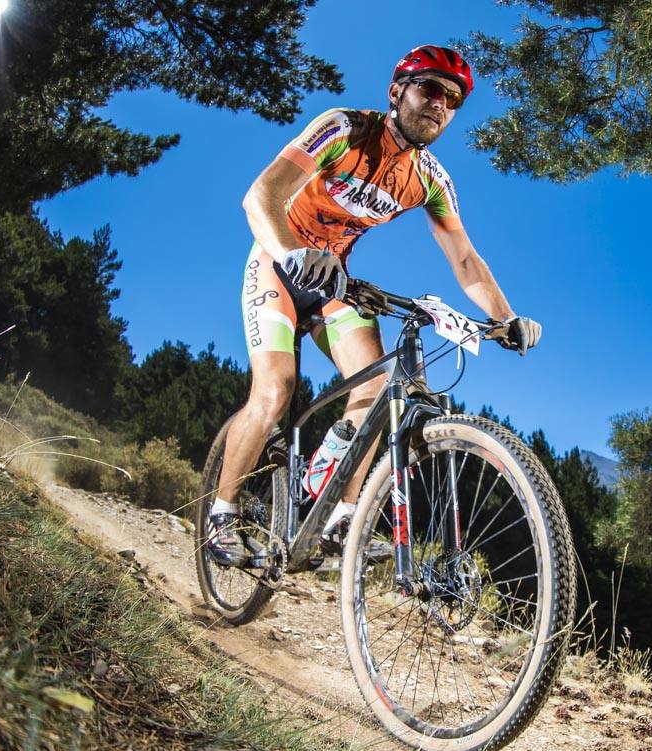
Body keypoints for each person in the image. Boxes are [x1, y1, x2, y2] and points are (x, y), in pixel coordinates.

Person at [206, 45, 542, 566]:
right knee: (275, 391)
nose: (440, 104)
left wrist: (506, 319)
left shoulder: (430, 179)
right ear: (396, 92)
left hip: (334, 282)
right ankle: (221, 516)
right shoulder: (343, 129)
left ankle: (339, 519)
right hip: (277, 264)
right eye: (429, 88)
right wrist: (291, 253)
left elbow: (465, 259)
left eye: (452, 99)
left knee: (379, 388)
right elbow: (261, 196)